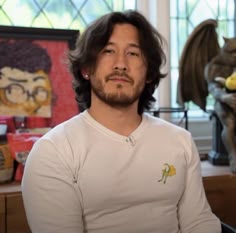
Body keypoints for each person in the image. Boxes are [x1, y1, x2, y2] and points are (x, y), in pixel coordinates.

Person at [22, 10, 221, 233]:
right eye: (108, 51)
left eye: (133, 54)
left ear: (149, 74)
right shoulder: (53, 151)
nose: (121, 64)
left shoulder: (180, 141)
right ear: (86, 68)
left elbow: (198, 222)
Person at [205, 37, 236, 173]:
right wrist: (224, 97)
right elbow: (213, 87)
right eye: (233, 52)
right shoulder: (216, 65)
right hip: (223, 102)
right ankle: (233, 157)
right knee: (230, 124)